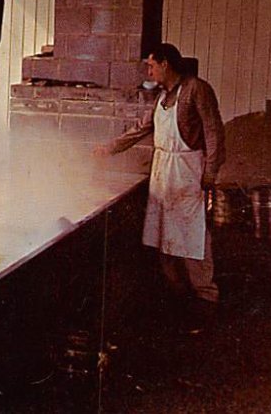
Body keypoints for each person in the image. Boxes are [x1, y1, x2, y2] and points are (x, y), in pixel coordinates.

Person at [95, 43, 225, 333]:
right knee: (164, 243)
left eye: (151, 65)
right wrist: (109, 149)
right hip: (163, 175)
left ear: (166, 64)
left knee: (193, 244)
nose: (148, 71)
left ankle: (205, 304)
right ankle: (179, 304)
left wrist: (210, 173)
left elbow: (214, 133)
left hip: (188, 175)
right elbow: (141, 129)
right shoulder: (163, 96)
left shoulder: (196, 90)